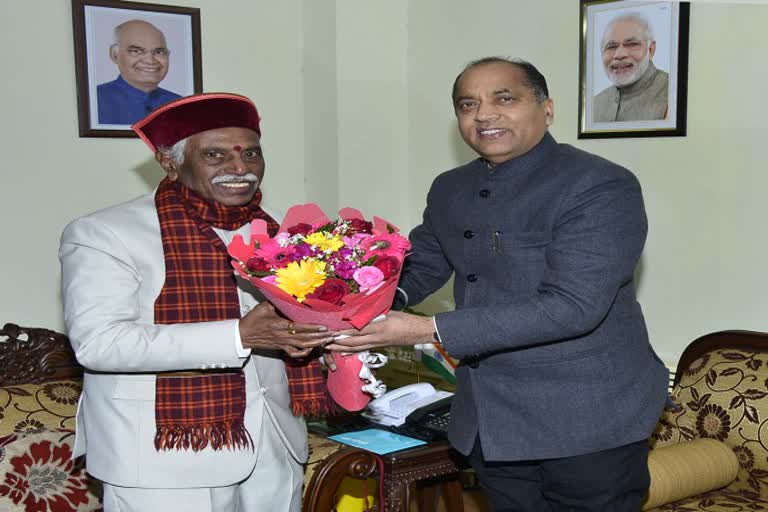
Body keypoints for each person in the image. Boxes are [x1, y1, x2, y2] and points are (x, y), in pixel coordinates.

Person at [327, 57, 669, 511]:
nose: (484, 114)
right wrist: (355, 306)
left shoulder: (599, 184)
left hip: (587, 415)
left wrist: (422, 330)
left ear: (547, 109)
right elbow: (423, 263)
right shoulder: (450, 187)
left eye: (504, 99)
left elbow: (572, 306)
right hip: (492, 416)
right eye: (468, 104)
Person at [60, 93, 334, 512]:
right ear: (171, 163)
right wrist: (239, 335)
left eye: (251, 153)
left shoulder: (281, 228)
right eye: (215, 154)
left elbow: (294, 322)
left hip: (274, 444)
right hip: (163, 459)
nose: (240, 168)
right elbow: (99, 343)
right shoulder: (104, 233)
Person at [97, 19, 181, 125]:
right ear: (114, 55)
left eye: (159, 52)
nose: (150, 61)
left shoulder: (180, 105)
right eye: (136, 51)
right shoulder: (95, 100)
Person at [593, 12, 669, 122]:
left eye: (632, 44)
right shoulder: (595, 104)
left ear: (651, 50)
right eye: (611, 46)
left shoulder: (673, 93)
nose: (619, 54)